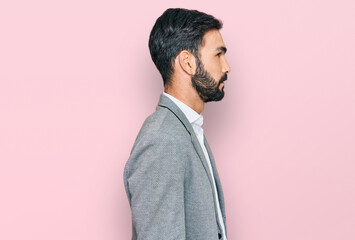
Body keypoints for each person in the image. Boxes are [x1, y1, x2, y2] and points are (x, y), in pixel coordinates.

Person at [123, 8, 231, 240]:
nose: (226, 67)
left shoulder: (185, 129)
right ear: (187, 63)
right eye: (218, 55)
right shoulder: (162, 139)